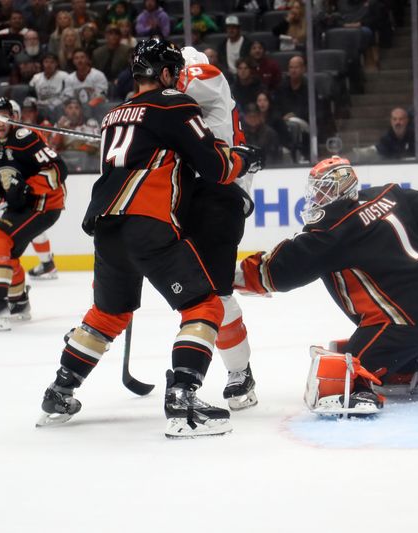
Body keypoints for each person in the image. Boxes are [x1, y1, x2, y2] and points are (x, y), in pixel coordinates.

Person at [36, 38, 263, 437]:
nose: (178, 77)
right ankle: (184, 398)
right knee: (205, 304)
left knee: (108, 314)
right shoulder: (175, 102)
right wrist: (246, 157)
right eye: (173, 72)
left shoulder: (115, 114)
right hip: (151, 219)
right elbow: (214, 164)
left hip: (106, 224)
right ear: (165, 73)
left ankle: (60, 390)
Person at [235, 156, 418, 414]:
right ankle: (410, 368)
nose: (317, 198)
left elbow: (283, 268)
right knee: (385, 349)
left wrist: (231, 276)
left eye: (324, 190)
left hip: (403, 324)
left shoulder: (333, 230)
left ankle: (363, 385)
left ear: (342, 187)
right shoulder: (388, 194)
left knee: (345, 369)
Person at [176, 45, 261, 409]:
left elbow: (164, 101)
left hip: (218, 198)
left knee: (217, 295)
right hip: (188, 199)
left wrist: (138, 116)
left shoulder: (205, 76)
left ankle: (239, 373)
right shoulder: (184, 105)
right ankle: (101, 321)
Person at [0, 98, 68, 331]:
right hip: (21, 207)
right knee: (7, 253)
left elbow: (58, 169)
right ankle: (18, 303)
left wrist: (29, 187)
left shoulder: (25, 138)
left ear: (13, 117)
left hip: (44, 204)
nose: (0, 121)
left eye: (5, 115)